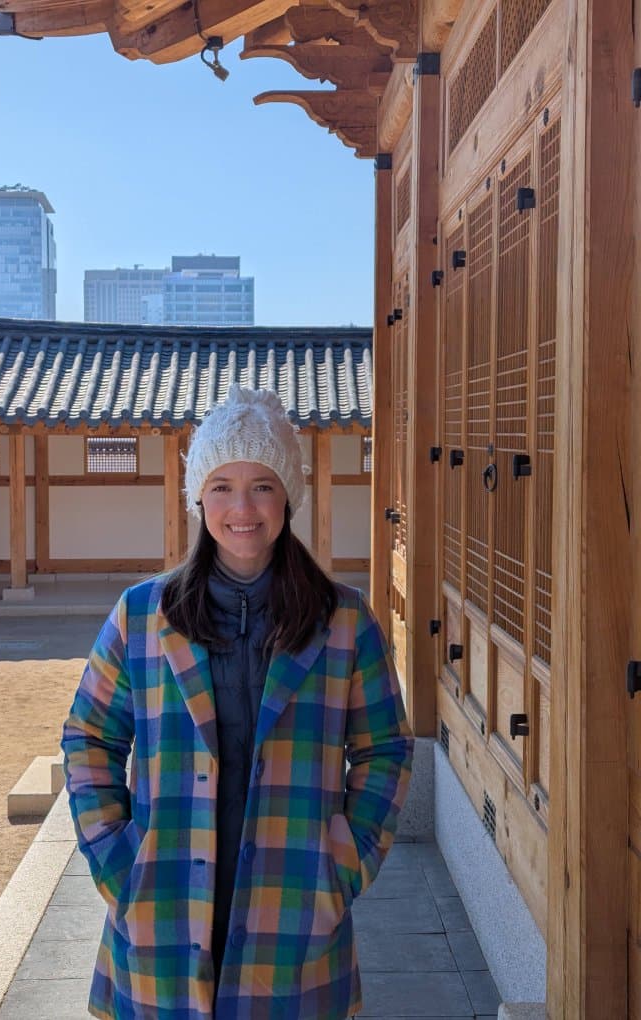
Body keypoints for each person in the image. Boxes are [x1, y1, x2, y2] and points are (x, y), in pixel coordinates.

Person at [62, 384, 414, 1020]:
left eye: (263, 485)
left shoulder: (345, 621)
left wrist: (348, 859)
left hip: (297, 895)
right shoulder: (143, 615)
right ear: (199, 496)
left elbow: (385, 747)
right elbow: (90, 738)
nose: (241, 507)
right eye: (222, 484)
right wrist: (117, 860)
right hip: (162, 893)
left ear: (289, 499)